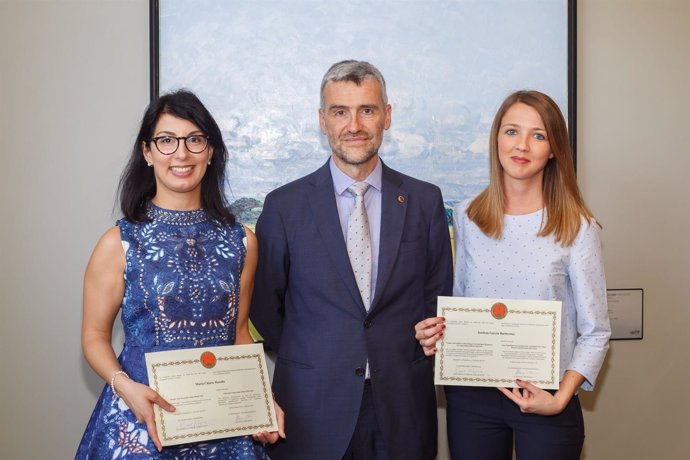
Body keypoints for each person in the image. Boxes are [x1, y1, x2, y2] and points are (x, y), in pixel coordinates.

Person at [250, 60, 453, 460]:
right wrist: (319, 351)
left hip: (401, 408)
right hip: (310, 408)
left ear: (387, 117)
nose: (354, 125)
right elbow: (265, 308)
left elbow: (436, 298)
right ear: (322, 120)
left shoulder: (424, 201)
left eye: (368, 109)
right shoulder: (284, 206)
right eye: (340, 111)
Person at [76, 90, 284, 458]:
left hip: (225, 428)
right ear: (148, 152)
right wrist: (125, 387)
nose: (182, 154)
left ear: (211, 150)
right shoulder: (119, 242)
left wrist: (262, 403)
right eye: (167, 141)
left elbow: (238, 334)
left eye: (194, 140)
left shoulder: (243, 241)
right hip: (141, 420)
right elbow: (94, 337)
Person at [415, 90, 611, 459]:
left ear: (553, 148)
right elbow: (459, 303)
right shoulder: (468, 216)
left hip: (547, 396)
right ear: (496, 139)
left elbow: (596, 331)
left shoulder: (577, 227)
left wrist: (560, 398)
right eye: (511, 132)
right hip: (472, 396)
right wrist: (436, 333)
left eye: (538, 135)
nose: (522, 145)